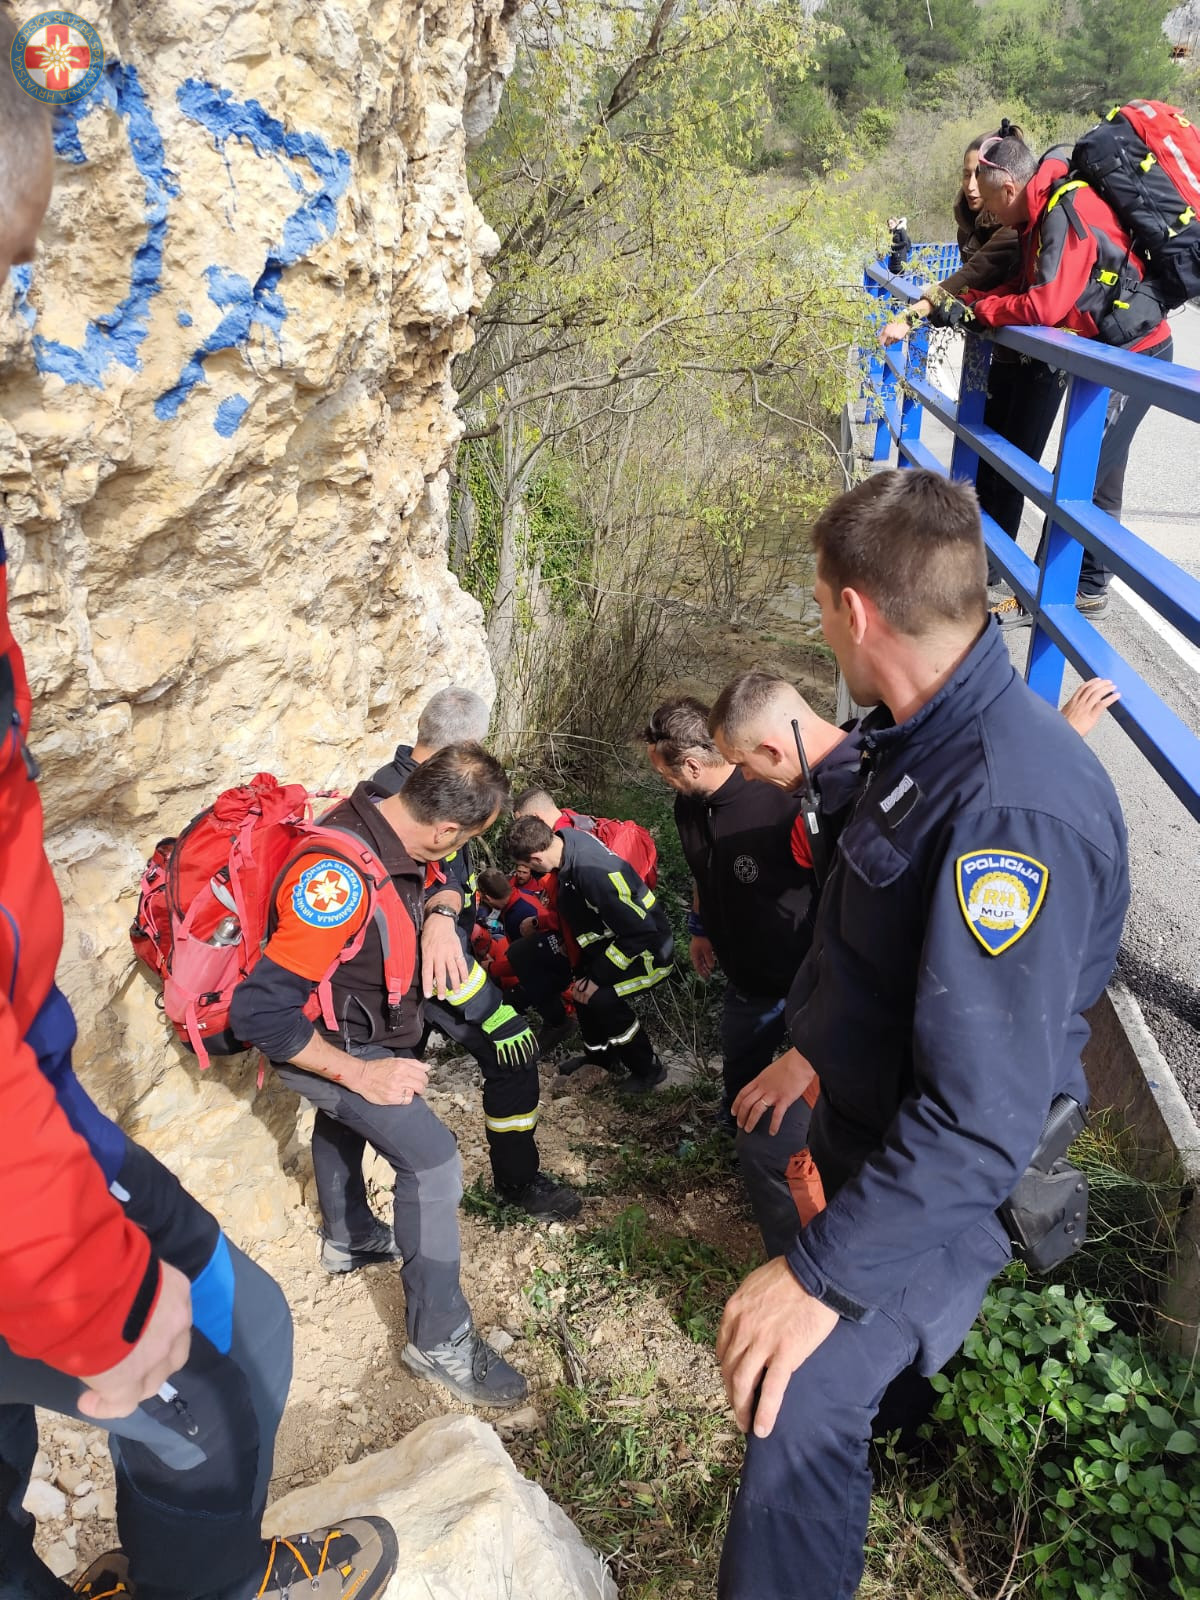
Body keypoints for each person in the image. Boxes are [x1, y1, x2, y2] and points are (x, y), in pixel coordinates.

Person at [0, 32, 396, 1600]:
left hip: (36, 1077)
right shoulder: (340, 870)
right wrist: (88, 1295)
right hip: (21, 1164)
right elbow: (283, 1008)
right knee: (222, 1377)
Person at [714, 469, 1128, 1600]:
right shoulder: (914, 742)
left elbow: (981, 1118)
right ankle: (893, 1409)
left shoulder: (1007, 810)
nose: (820, 625)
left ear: (855, 611)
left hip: (948, 1176)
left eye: (818, 604)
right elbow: (878, 951)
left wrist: (817, 1276)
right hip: (874, 1128)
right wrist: (810, 1052)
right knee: (832, 1367)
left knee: (797, 1395)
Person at [229, 744, 530, 1408]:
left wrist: (442, 915)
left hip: (366, 1031)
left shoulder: (387, 812)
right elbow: (260, 1014)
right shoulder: (335, 882)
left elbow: (446, 870)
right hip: (336, 1045)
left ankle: (351, 1239)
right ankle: (439, 1340)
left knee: (347, 1124)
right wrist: (359, 1076)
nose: (456, 854)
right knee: (433, 1162)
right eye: (462, 840)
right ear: (443, 825)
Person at [642, 694, 842, 1256]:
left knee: (819, 1083)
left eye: (664, 772)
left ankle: (816, 1170)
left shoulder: (777, 800)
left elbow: (834, 889)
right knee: (742, 1066)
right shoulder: (689, 807)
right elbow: (703, 872)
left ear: (691, 764)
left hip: (804, 977)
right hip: (747, 979)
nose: (663, 781)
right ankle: (744, 1142)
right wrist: (700, 927)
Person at [371, 689, 580, 1223]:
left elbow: (442, 878)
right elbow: (407, 916)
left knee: (394, 1076)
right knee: (513, 1051)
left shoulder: (395, 788)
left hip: (427, 972)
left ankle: (352, 1215)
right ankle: (517, 1183)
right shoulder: (411, 802)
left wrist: (445, 912)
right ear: (464, 746)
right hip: (423, 978)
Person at [966, 133, 1174, 620]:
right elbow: (1030, 284)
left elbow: (1046, 304)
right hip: (1110, 352)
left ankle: (1037, 597)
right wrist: (981, 299)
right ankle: (1090, 586)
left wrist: (986, 310)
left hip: (1135, 353)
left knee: (1076, 475)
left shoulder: (1063, 210)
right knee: (1102, 474)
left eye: (992, 201)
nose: (990, 212)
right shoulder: (1042, 212)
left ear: (1010, 187)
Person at [879, 123, 1067, 589]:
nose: (970, 186)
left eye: (976, 176)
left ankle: (998, 574)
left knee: (1012, 468)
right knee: (984, 457)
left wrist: (917, 312)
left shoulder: (1017, 227)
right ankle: (974, 561)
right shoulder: (978, 223)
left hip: (1041, 363)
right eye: (965, 175)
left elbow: (973, 276)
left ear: (1004, 183)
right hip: (999, 356)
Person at [507, 814, 674, 1092]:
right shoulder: (567, 844)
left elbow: (640, 931)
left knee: (600, 998)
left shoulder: (592, 872)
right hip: (619, 943)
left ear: (536, 858)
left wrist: (598, 977)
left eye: (530, 866)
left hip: (650, 953)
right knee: (581, 991)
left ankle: (647, 1069)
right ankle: (600, 1059)